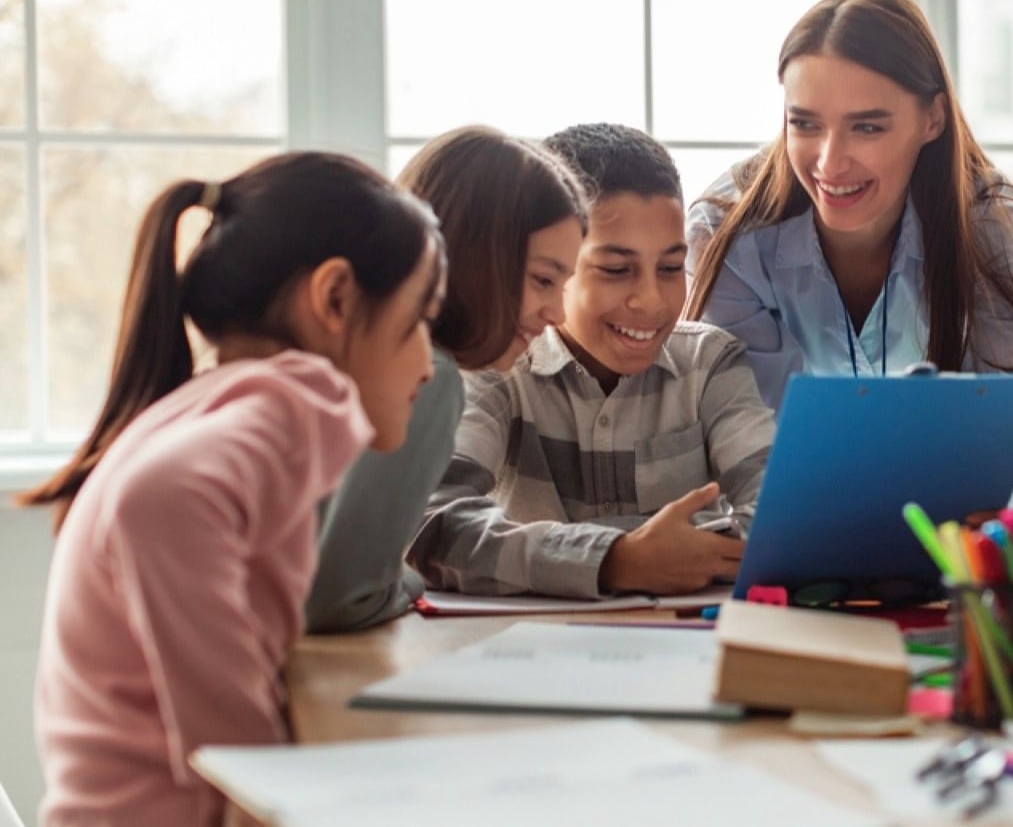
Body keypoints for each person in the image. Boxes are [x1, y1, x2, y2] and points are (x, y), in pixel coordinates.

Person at [23, 152, 443, 826]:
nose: (428, 360)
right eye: (419, 319)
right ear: (335, 299)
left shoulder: (224, 400)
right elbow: (158, 499)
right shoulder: (279, 405)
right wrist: (259, 784)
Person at [414, 123, 773, 598]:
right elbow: (434, 527)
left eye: (670, 268)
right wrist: (618, 560)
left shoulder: (711, 363)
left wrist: (641, 553)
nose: (650, 301)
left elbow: (778, 518)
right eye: (616, 270)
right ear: (557, 263)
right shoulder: (498, 366)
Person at [685, 0, 1013, 410]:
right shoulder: (725, 235)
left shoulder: (992, 233)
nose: (830, 164)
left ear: (933, 119)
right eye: (805, 124)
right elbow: (752, 439)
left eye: (867, 128)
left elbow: (1002, 441)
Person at [304, 125, 588, 632]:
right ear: (476, 256)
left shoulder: (350, 353)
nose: (558, 314)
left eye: (564, 285)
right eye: (543, 280)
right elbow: (340, 598)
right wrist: (409, 581)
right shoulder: (425, 377)